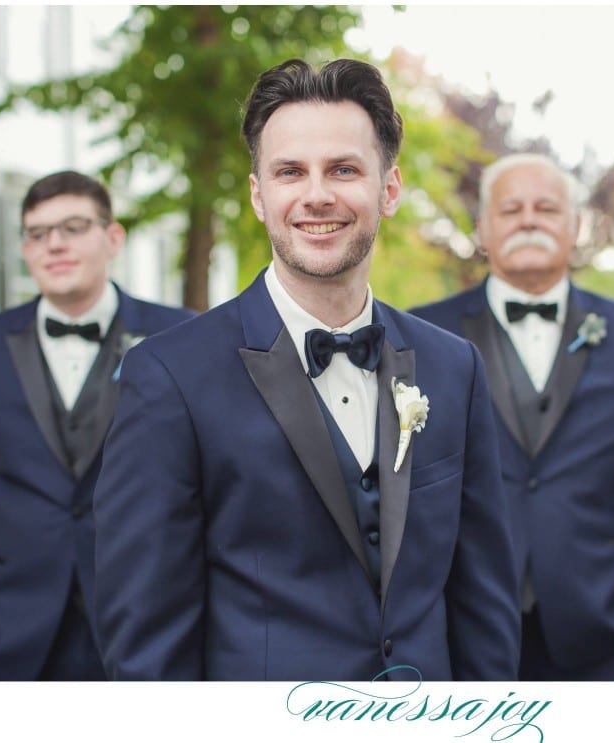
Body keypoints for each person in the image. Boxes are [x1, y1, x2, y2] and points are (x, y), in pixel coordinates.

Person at [92, 58, 520, 681]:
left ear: (389, 189)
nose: (317, 194)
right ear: (259, 196)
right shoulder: (168, 376)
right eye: (290, 172)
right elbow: (146, 639)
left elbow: (485, 597)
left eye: (344, 170)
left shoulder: (455, 367)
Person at [411, 153, 614, 680]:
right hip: (464, 623)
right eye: (511, 209)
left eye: (546, 207)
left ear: (575, 225)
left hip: (605, 626)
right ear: (484, 228)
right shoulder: (423, 335)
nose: (529, 220)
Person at [0, 171, 193, 680]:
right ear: (24, 248)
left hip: (149, 626)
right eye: (37, 233)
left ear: (113, 238)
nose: (54, 245)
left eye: (73, 226)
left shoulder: (181, 335)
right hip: (8, 634)